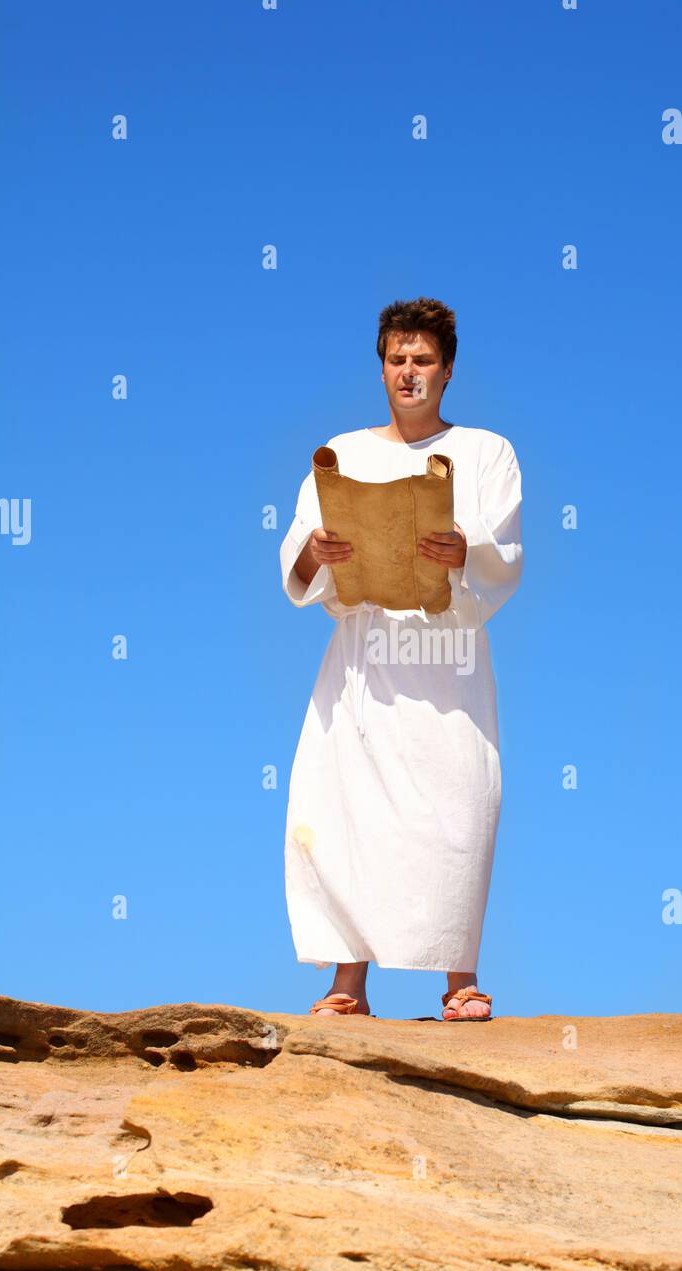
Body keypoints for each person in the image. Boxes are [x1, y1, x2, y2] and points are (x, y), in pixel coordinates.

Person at [279, 297, 523, 1020]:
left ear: (447, 369)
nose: (407, 373)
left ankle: (460, 982)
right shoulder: (343, 451)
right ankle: (347, 987)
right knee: (344, 804)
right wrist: (316, 552)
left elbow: (504, 554)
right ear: (381, 367)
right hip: (362, 658)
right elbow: (297, 556)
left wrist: (464, 548)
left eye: (421, 360)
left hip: (447, 658)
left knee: (458, 806)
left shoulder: (486, 451)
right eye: (396, 360)